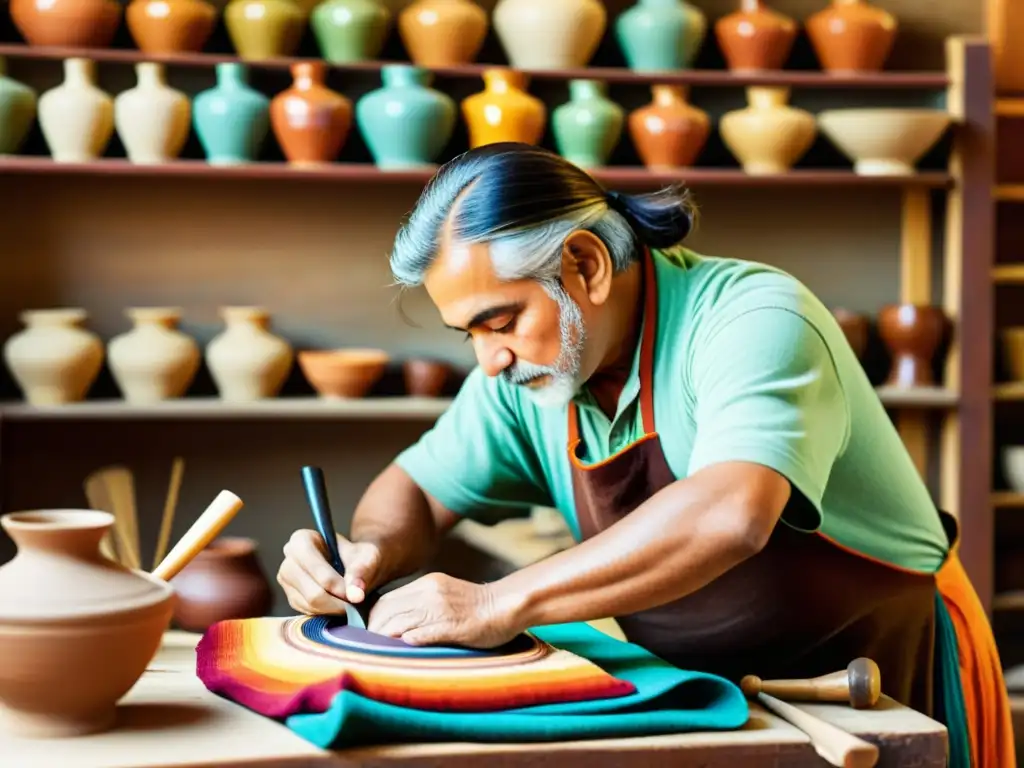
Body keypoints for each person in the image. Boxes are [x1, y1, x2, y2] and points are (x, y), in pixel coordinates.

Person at [277, 143, 1013, 766]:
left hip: (879, 682)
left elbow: (730, 514)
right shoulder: (527, 376)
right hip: (716, 700)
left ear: (587, 264)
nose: (488, 359)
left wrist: (499, 601)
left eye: (498, 321)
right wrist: (364, 554)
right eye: (466, 333)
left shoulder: (752, 318)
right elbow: (410, 487)